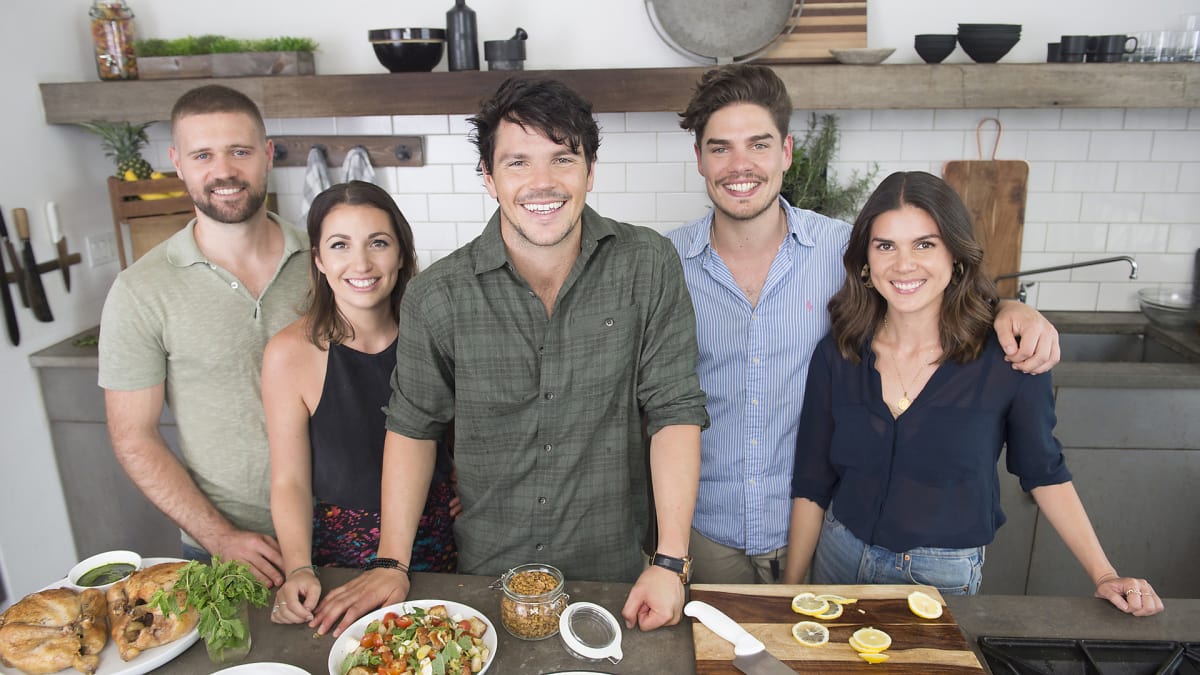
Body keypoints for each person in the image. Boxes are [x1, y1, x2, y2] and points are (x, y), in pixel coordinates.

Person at [309, 77, 710, 637]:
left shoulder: (647, 264)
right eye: (518, 162)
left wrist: (670, 561)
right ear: (488, 176)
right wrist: (391, 562)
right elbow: (413, 429)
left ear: (589, 171)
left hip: (614, 577)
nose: (542, 183)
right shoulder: (438, 295)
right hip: (486, 580)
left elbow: (675, 410)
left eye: (562, 158)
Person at [667, 63, 1062, 585]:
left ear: (786, 152)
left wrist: (1011, 308)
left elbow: (932, 281)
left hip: (822, 530)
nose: (740, 165)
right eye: (720, 147)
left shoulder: (843, 249)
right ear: (699, 159)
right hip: (706, 532)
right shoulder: (664, 264)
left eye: (759, 144)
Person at [783, 171, 1162, 616]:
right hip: (838, 558)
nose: (904, 265)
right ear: (865, 260)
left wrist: (1104, 574)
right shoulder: (838, 351)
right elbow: (812, 480)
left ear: (955, 257)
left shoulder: (1008, 356)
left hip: (938, 576)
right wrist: (788, 591)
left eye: (925, 244)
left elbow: (1044, 470)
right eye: (886, 245)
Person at [98, 84, 309, 587]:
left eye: (240, 150)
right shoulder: (140, 290)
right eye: (203, 155)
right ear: (178, 163)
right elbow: (133, 436)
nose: (224, 171)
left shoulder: (330, 261)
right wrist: (219, 537)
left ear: (267, 155)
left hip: (352, 529)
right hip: (231, 545)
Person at [263, 181, 458, 625]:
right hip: (342, 555)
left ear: (403, 254)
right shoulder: (288, 354)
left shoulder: (436, 336)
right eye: (340, 245)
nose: (362, 263)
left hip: (440, 541)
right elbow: (289, 480)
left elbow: (464, 430)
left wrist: (469, 481)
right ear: (318, 260)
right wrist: (297, 567)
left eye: (378, 243)